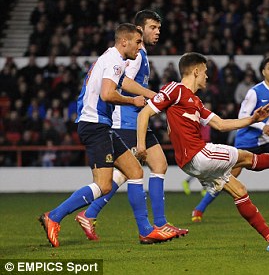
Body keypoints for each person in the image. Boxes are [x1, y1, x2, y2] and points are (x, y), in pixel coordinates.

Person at [136, 52, 269, 251]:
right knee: (245, 157)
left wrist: (252, 120)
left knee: (239, 191)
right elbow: (145, 112)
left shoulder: (196, 102)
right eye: (205, 72)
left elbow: (221, 124)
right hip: (199, 154)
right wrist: (141, 145)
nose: (207, 76)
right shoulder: (176, 90)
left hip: (192, 163)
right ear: (196, 71)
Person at [38, 23, 179, 247]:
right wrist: (133, 101)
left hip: (100, 125)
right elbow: (107, 94)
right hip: (94, 126)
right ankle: (53, 216)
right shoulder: (114, 60)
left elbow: (119, 84)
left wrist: (155, 97)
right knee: (103, 185)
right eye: (137, 42)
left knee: (134, 171)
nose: (140, 47)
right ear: (125, 41)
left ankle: (146, 231)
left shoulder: (112, 58)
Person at [74, 10, 188, 241]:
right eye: (152, 28)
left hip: (136, 119)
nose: (157, 32)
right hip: (126, 121)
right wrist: (155, 97)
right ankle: (92, 213)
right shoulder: (136, 55)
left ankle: (159, 223)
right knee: (131, 173)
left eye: (159, 28)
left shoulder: (140, 54)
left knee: (156, 165)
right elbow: (123, 82)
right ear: (139, 30)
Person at [191, 56, 269, 222]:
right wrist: (262, 126)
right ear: (263, 72)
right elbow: (242, 115)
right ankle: (199, 209)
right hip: (247, 140)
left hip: (267, 140)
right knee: (227, 177)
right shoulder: (254, 92)